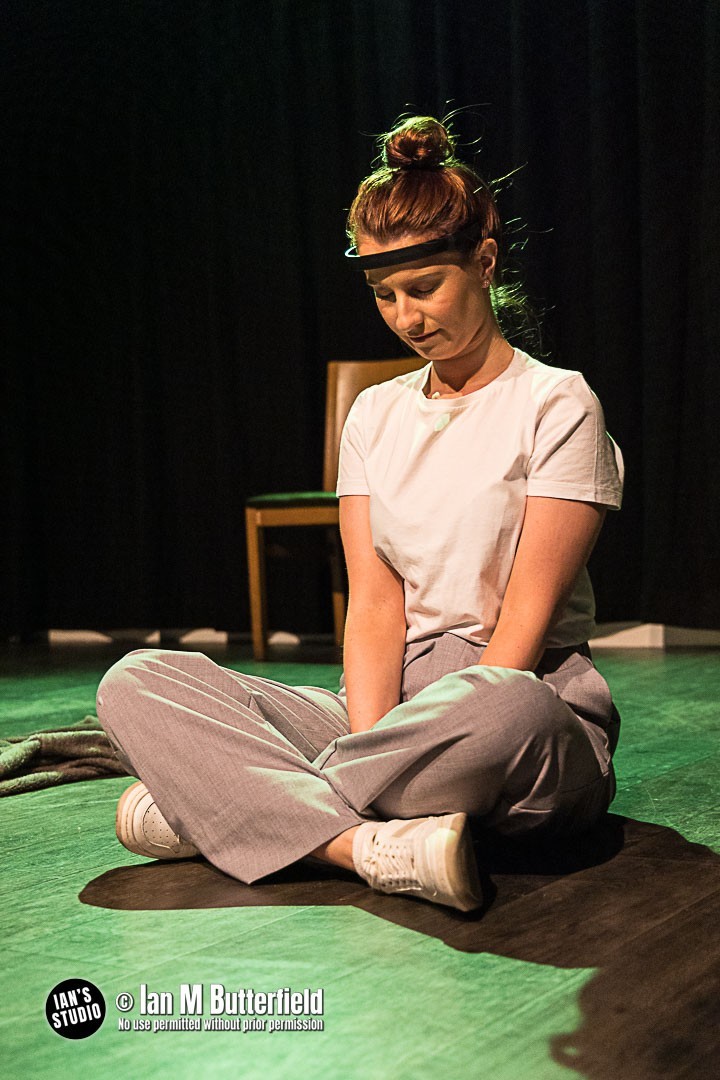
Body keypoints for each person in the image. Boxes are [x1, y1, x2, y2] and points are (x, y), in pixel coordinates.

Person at [96, 116, 623, 913]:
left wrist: (322, 759)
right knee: (137, 681)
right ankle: (361, 845)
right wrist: (367, 735)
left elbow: (521, 629)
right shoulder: (375, 415)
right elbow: (376, 608)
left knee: (504, 706)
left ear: (483, 262)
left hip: (513, 703)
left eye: (424, 289)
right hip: (384, 712)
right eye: (385, 295)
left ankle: (223, 811)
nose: (406, 318)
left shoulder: (556, 401)